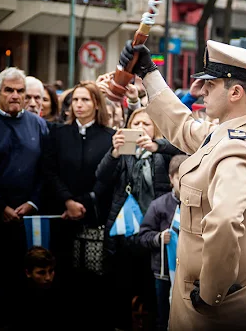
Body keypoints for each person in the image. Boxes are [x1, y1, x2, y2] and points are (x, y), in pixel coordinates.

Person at [119, 39, 246, 330]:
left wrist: (211, 293)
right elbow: (183, 127)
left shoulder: (238, 148)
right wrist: (148, 72)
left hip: (225, 311)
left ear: (235, 92)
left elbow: (223, 222)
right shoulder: (235, 134)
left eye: (212, 83)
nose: (203, 89)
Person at [0, 67, 48, 327]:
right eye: (9, 90)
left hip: (29, 218)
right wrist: (0, 206)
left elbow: (46, 169)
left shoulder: (38, 124)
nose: (15, 95)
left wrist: (33, 202)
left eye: (20, 91)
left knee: (29, 290)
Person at [95, 107, 183, 329]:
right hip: (126, 227)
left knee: (152, 287)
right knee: (123, 282)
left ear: (155, 129)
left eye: (146, 124)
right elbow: (101, 177)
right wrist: (114, 153)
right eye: (136, 124)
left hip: (155, 229)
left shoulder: (162, 151)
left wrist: (157, 146)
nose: (141, 129)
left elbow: (182, 152)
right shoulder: (123, 153)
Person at [42, 81, 114, 329]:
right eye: (75, 100)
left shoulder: (109, 137)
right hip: (63, 214)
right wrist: (67, 201)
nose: (79, 105)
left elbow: (107, 177)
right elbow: (50, 171)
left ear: (96, 104)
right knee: (63, 276)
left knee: (93, 279)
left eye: (85, 100)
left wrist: (83, 203)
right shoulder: (58, 134)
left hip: (94, 217)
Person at [138, 154, 189, 331]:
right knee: (164, 315)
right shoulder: (159, 205)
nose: (184, 182)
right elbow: (142, 236)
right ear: (171, 178)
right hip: (164, 273)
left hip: (191, 272)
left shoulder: (200, 204)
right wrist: (158, 238)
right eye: (179, 178)